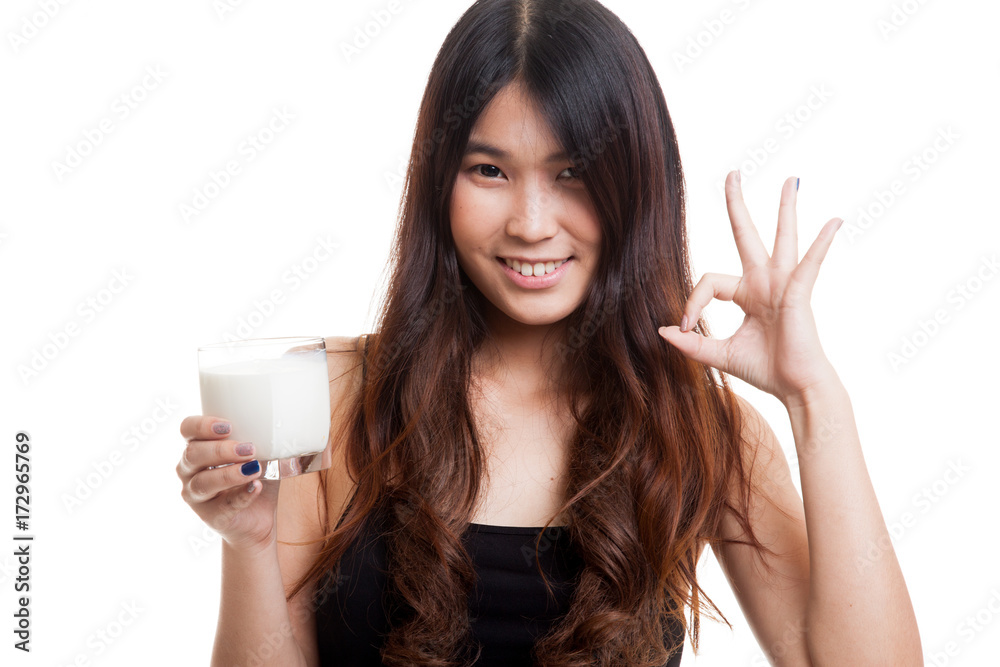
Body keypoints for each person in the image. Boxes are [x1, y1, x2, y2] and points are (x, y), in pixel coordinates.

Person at [177, 0, 922, 664]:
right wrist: (248, 540)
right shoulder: (334, 395)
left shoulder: (701, 426)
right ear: (438, 181)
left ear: (636, 184)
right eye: (490, 170)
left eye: (572, 172)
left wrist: (812, 395)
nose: (532, 225)